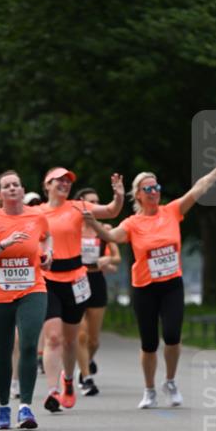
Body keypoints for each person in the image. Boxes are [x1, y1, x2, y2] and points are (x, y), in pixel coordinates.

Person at [83, 142, 216, 409]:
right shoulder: (132, 223)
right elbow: (109, 236)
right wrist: (92, 221)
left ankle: (171, 381)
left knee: (173, 334)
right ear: (139, 195)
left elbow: (198, 188)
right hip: (144, 287)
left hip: (171, 285)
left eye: (157, 187)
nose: (154, 192)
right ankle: (150, 389)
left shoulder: (172, 211)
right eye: (148, 189)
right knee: (149, 343)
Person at [0, 169, 53, 430]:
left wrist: (47, 254)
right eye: (6, 186)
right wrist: (3, 244)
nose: (12, 189)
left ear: (21, 190)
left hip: (32, 289)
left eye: (16, 185)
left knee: (29, 343)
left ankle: (26, 407)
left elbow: (46, 236)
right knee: (3, 351)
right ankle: (4, 406)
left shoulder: (36, 216)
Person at [40, 167, 124, 411]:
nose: (65, 184)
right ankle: (53, 392)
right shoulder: (36, 212)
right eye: (59, 181)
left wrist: (118, 195)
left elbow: (111, 211)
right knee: (53, 337)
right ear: (47, 185)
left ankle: (68, 380)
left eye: (68, 181)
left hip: (76, 278)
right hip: (47, 278)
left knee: (70, 340)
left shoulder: (78, 207)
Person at [74, 186, 121, 395]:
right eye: (90, 201)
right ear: (80, 204)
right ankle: (86, 377)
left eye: (97, 201)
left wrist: (107, 259)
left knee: (93, 339)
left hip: (96, 280)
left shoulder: (103, 228)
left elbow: (117, 257)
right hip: (75, 280)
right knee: (81, 335)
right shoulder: (71, 228)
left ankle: (87, 361)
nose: (94, 205)